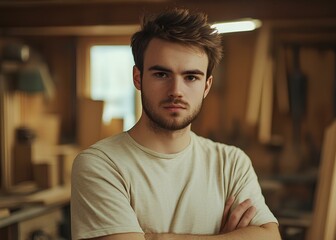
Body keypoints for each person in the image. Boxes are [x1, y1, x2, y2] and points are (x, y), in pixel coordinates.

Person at [71, 8, 280, 240]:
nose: (176, 91)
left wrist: (160, 238)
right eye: (161, 74)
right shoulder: (101, 165)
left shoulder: (231, 163)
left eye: (191, 77)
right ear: (138, 78)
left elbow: (269, 236)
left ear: (207, 86)